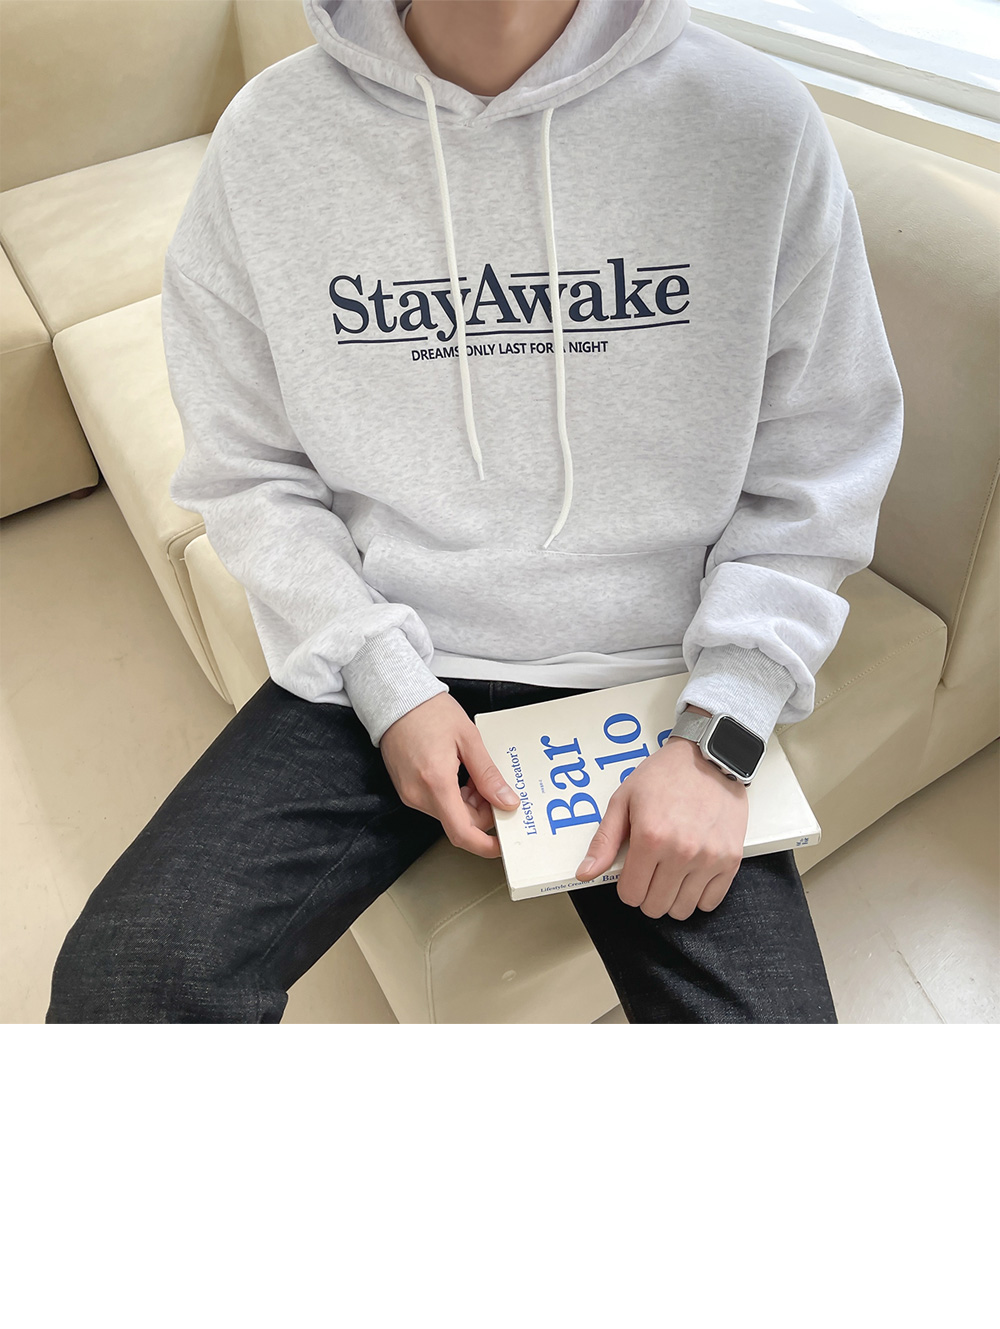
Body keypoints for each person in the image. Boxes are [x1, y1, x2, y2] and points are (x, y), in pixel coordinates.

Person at [45, 0, 904, 1024]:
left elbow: (820, 460)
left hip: (657, 674)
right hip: (383, 643)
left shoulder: (753, 120)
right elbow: (248, 469)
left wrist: (721, 732)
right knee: (126, 983)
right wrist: (388, 685)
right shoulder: (271, 138)